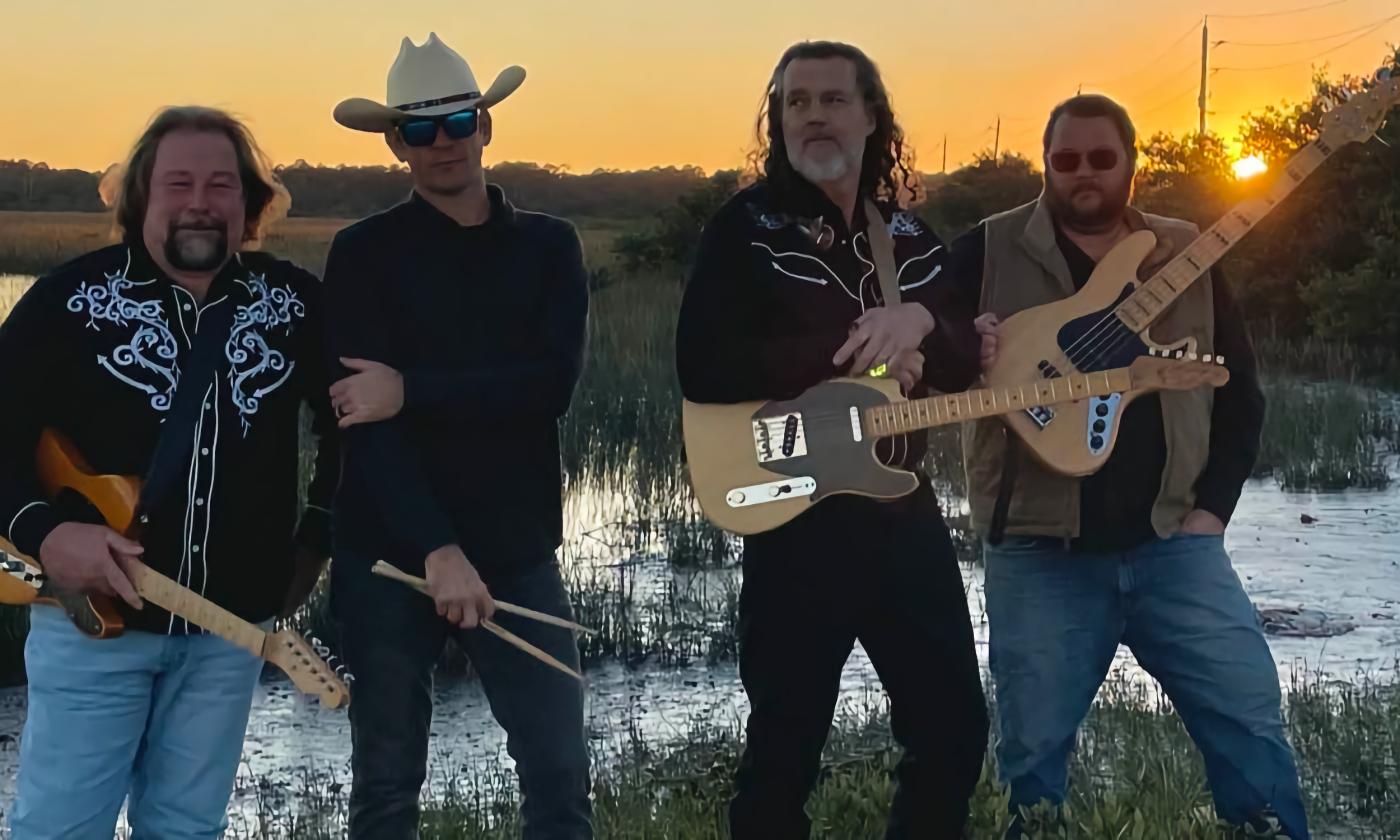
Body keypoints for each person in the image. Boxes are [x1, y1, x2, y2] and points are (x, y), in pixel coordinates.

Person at [950, 93, 1306, 838]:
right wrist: (963, 348)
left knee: (1249, 723)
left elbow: (1240, 393)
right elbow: (915, 368)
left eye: (1101, 159)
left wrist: (1211, 514)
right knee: (1032, 761)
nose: (1084, 173)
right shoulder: (986, 250)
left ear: (1131, 165)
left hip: (1175, 547)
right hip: (1039, 557)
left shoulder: (1186, 252)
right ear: (1045, 164)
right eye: (1065, 159)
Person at [675, 40, 989, 839]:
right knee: (784, 752)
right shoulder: (744, 228)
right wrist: (855, 349)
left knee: (953, 728)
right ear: (777, 121)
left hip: (901, 511)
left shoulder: (910, 235)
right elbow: (703, 366)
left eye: (833, 100)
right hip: (795, 517)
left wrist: (917, 319)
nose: (814, 115)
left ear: (872, 116)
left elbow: (962, 360)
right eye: (796, 102)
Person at [0, 105, 337, 839]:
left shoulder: (294, 306)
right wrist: (46, 534)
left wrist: (315, 538)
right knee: (59, 829)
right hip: (95, 632)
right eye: (177, 183)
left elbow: (350, 428)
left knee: (187, 830)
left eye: (221, 185)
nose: (199, 202)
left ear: (249, 204)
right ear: (140, 200)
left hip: (230, 638)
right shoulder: (66, 302)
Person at [323, 33, 592, 839]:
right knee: (386, 781)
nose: (442, 142)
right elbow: (361, 426)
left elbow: (548, 390)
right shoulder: (362, 254)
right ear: (394, 144)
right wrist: (436, 549)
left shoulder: (550, 245)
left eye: (458, 121)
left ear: (486, 126)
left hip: (516, 548)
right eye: (418, 129)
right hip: (385, 555)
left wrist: (410, 390)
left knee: (558, 772)